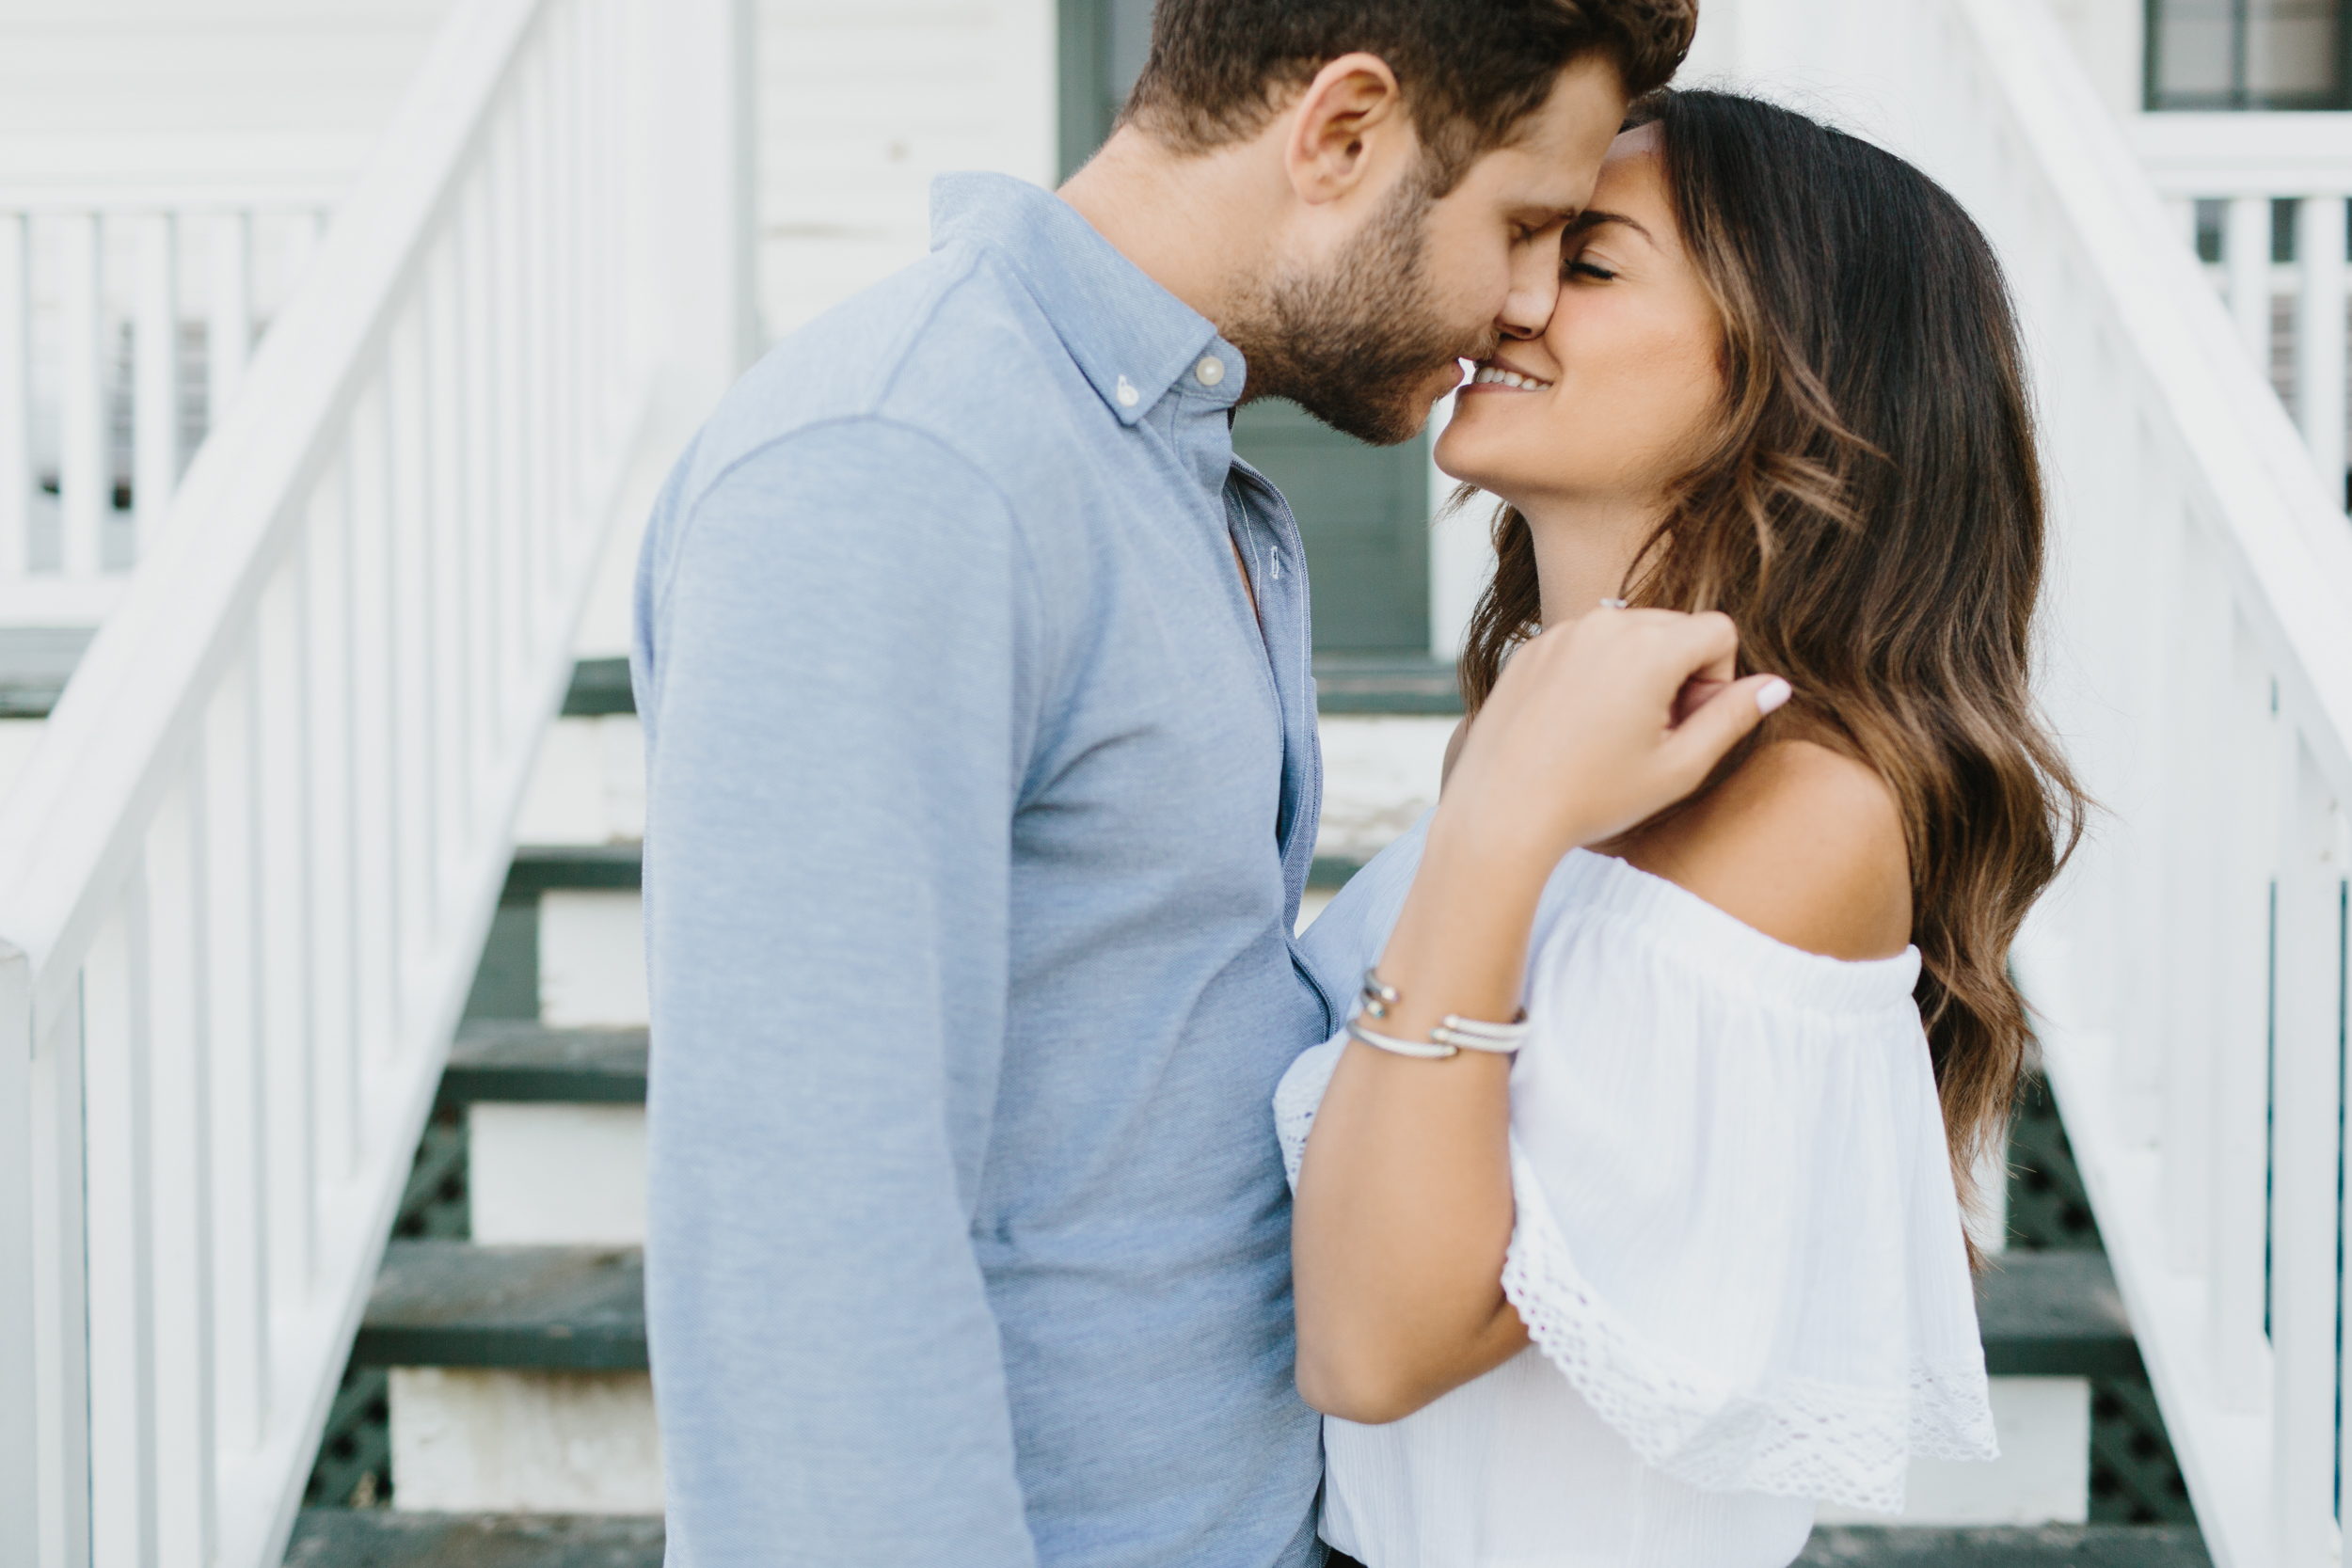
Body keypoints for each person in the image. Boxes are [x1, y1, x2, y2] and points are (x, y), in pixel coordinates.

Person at [629, 4, 1749, 1565]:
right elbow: (804, 1243)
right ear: (1343, 132)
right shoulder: (902, 465)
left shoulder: (1166, 459)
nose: (1525, 298)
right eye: (1526, 223)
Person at [1278, 90, 2090, 1568]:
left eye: (1586, 263)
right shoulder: (1532, 741)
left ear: (1792, 374)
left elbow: (1374, 1351)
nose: (1505, 300)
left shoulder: (1803, 810)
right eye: (1527, 243)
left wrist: (1499, 831)